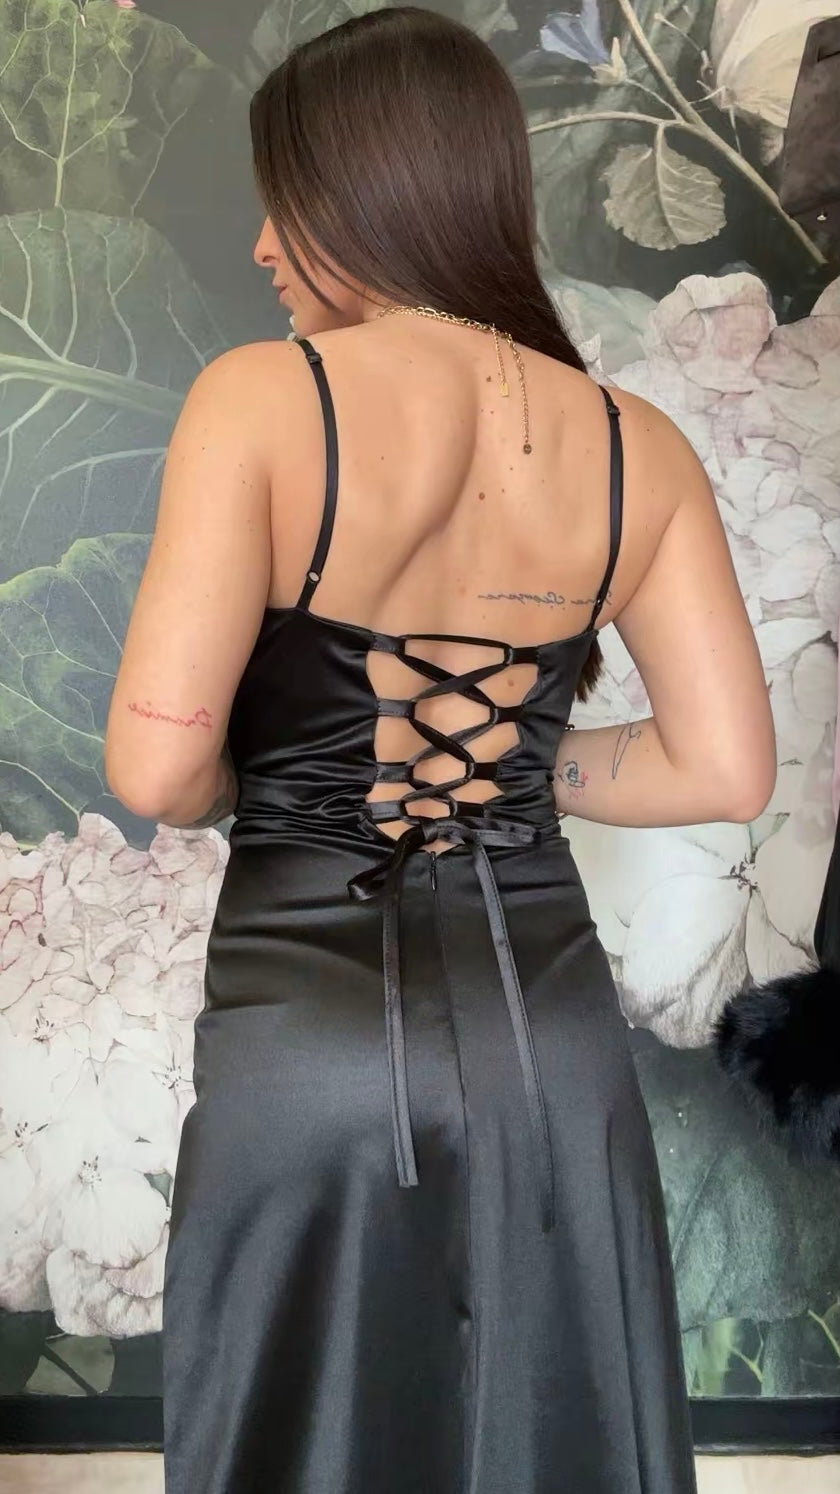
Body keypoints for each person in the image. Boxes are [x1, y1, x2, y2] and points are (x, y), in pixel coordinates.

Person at [104, 8, 776, 1492]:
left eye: (286, 200)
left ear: (370, 189)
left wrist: (286, 780)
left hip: (308, 1039)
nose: (264, 246)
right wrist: (526, 773)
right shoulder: (636, 444)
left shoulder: (260, 398)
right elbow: (726, 771)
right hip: (554, 1055)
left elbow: (156, 771)